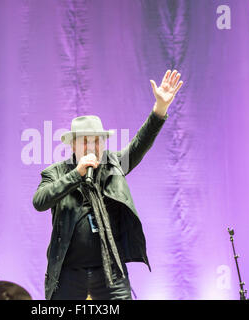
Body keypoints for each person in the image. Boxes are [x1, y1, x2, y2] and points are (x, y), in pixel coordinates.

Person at [33, 70, 183, 300]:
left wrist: (160, 108)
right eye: (85, 141)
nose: (92, 146)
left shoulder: (113, 164)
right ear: (73, 145)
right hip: (68, 274)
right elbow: (40, 201)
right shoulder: (56, 172)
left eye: (97, 140)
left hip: (110, 271)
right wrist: (76, 174)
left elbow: (139, 144)